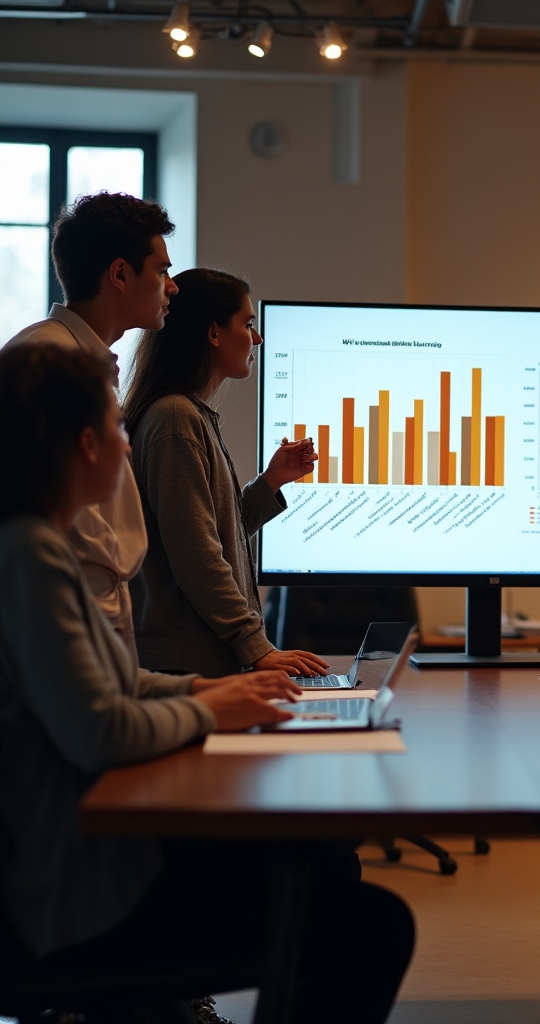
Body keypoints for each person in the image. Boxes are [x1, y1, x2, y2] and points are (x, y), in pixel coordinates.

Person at [0, 342, 416, 1022]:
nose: (128, 448)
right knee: (370, 921)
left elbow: (119, 686)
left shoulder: (37, 543)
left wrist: (210, 693)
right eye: (115, 428)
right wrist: (216, 711)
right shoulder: (31, 558)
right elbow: (103, 728)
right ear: (85, 445)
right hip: (74, 905)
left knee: (326, 863)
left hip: (89, 869)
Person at [123, 268, 328, 678]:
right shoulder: (176, 418)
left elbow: (209, 533)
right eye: (248, 324)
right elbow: (197, 556)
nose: (258, 338)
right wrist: (257, 647)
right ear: (214, 333)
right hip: (187, 669)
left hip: (200, 665)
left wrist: (271, 481)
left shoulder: (187, 415)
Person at [6, 192, 178, 666]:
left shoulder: (83, 360)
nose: (172, 287)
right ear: (120, 275)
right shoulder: (49, 363)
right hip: (66, 623)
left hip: (96, 612)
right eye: (161, 271)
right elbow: (46, 514)